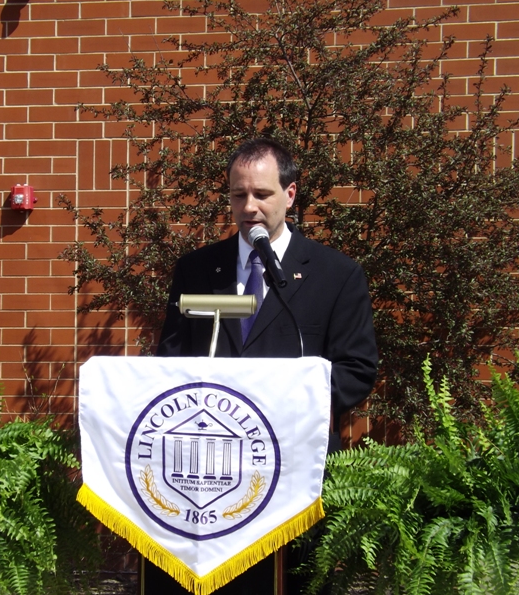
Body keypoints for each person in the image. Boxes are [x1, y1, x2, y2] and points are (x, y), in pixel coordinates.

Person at [146, 138, 378, 594]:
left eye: (262, 194)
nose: (249, 207)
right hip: (207, 475)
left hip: (293, 471)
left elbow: (356, 370)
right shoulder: (197, 270)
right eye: (238, 195)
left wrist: (282, 401)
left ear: (290, 194)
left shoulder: (336, 274)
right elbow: (170, 362)